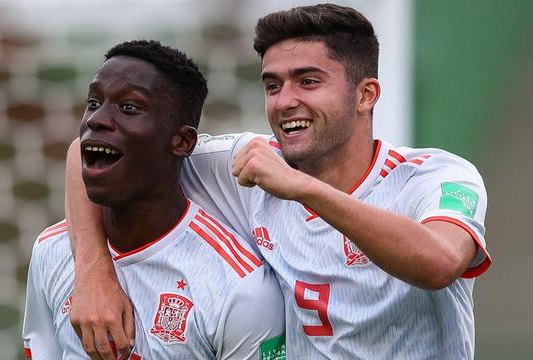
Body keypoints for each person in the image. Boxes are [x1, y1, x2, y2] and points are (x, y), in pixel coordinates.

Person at [66, 4, 491, 359]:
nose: (285, 101)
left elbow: (440, 263)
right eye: (273, 84)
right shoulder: (253, 162)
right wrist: (92, 273)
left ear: (366, 95)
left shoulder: (434, 175)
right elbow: (89, 151)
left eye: (308, 81)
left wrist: (303, 189)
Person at [22, 40, 285, 360]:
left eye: (129, 107)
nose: (96, 120)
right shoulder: (51, 250)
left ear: (183, 141)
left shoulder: (242, 291)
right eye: (93, 103)